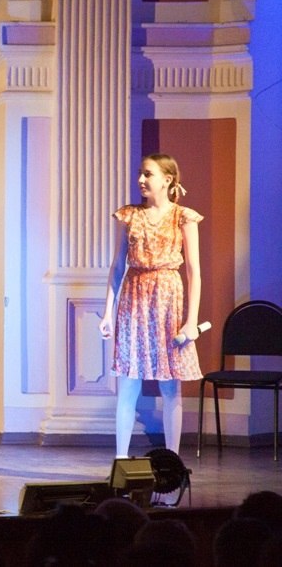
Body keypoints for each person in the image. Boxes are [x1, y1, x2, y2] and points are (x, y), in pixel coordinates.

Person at [99, 153, 202, 457]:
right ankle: (120, 461)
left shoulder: (183, 217)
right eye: (140, 174)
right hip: (134, 297)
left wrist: (191, 320)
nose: (141, 180)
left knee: (170, 384)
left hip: (167, 299)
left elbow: (194, 271)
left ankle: (172, 462)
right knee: (128, 382)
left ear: (167, 180)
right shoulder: (130, 216)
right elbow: (118, 265)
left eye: (148, 174)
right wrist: (108, 312)